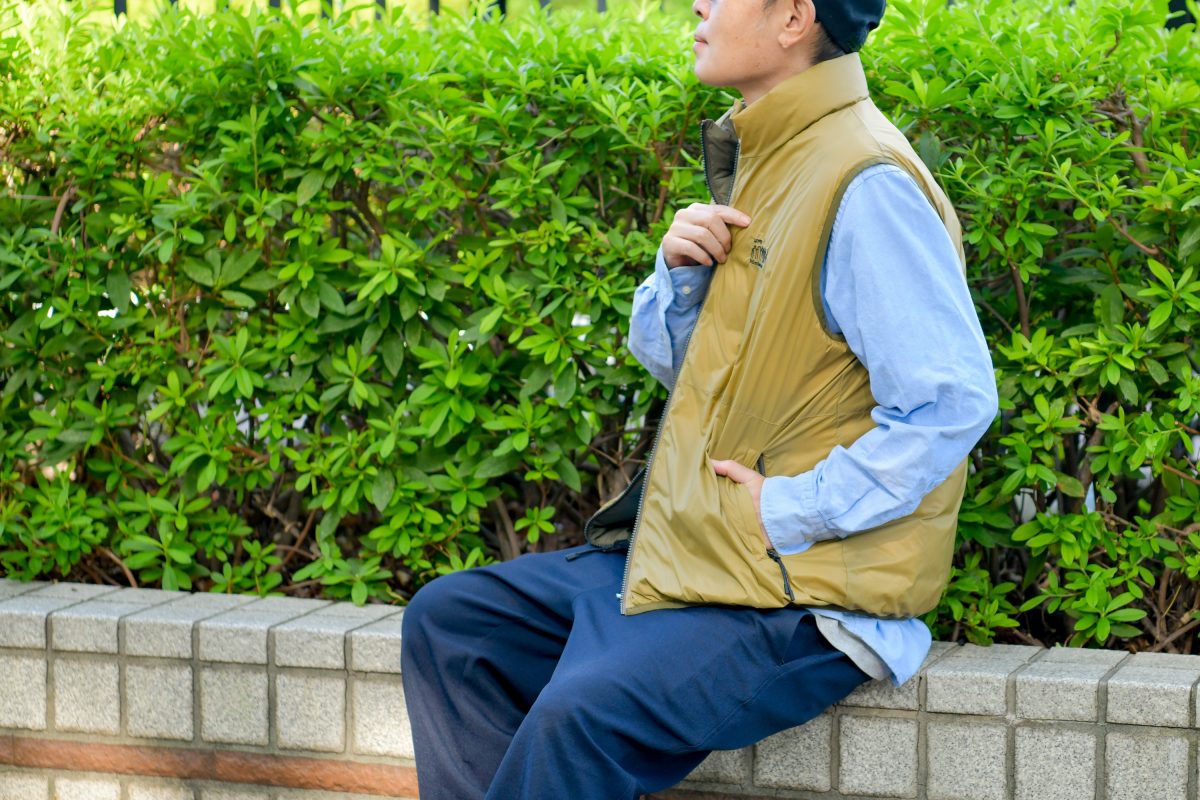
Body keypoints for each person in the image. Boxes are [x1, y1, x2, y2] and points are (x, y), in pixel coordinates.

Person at [400, 0, 998, 796]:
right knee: (454, 626)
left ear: (795, 18)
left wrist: (791, 508)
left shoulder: (865, 180)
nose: (698, 3)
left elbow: (951, 402)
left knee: (578, 718)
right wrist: (682, 281)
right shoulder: (773, 154)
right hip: (701, 556)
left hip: (801, 595)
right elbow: (702, 377)